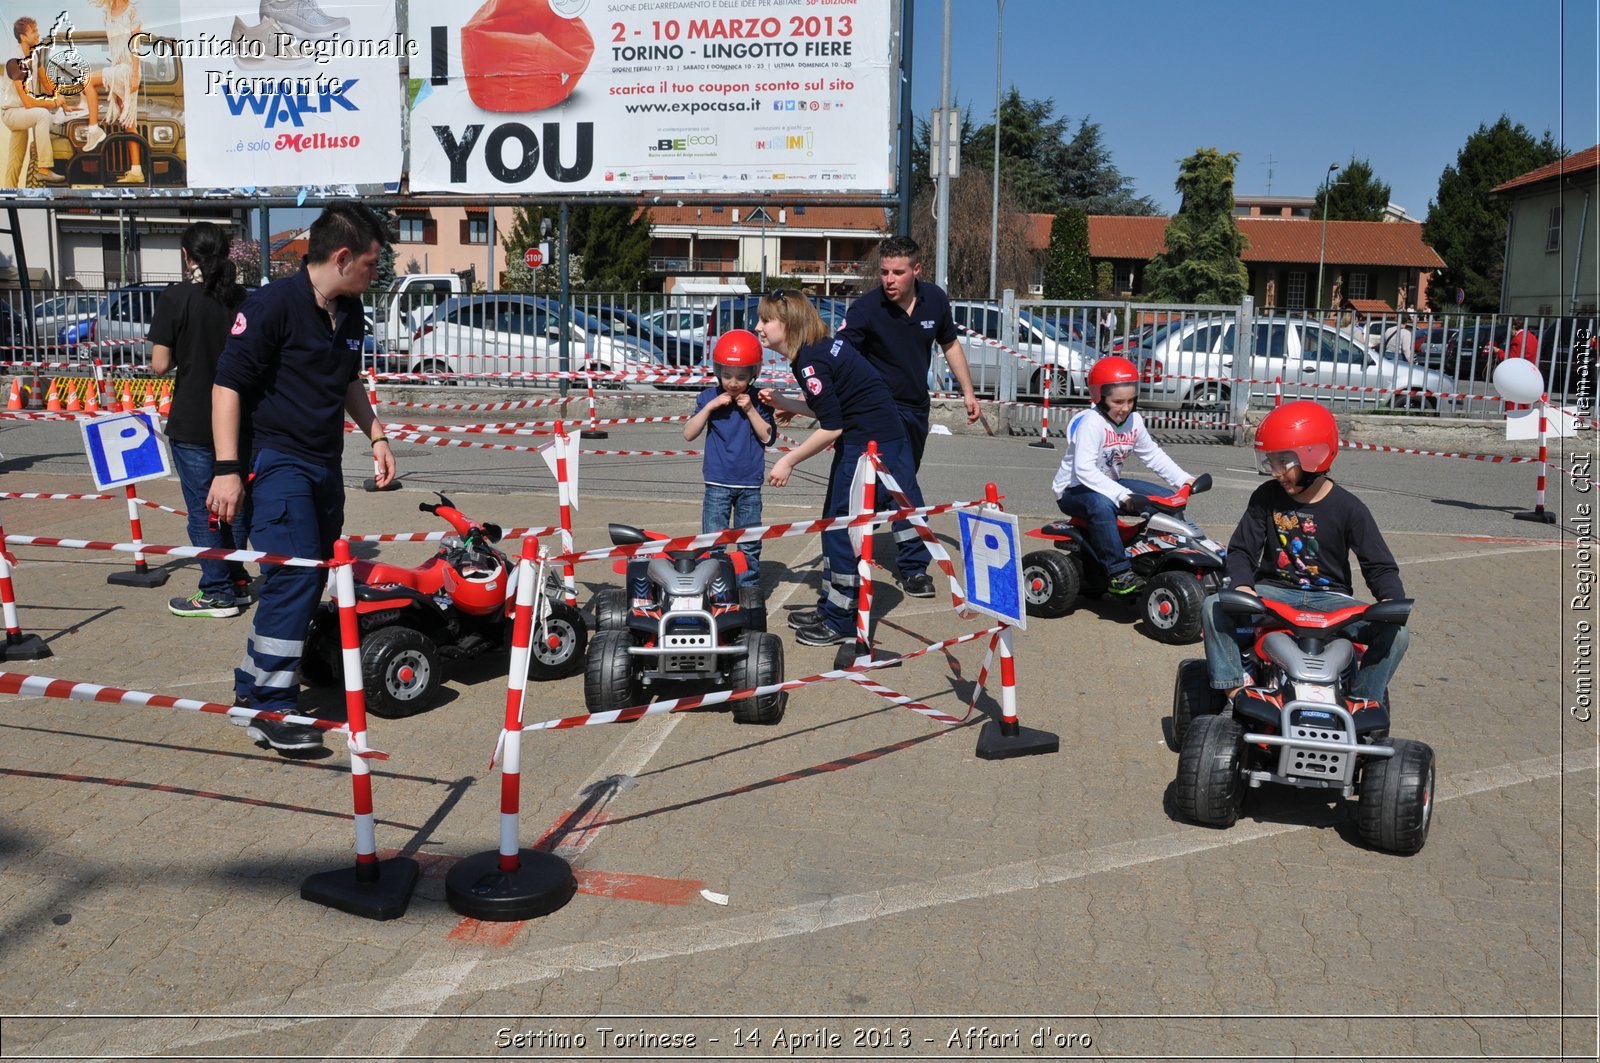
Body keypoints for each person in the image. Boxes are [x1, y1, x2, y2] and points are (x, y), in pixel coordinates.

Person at [207, 201, 394, 754]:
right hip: (278, 461)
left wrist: (377, 436)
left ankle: (252, 688)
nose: (373, 275)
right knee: (291, 578)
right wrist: (226, 471)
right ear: (341, 256)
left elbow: (347, 380)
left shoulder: (350, 310)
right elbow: (227, 387)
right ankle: (273, 708)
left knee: (310, 580)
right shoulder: (271, 306)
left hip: (324, 464)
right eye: (370, 264)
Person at [1201, 399, 1408, 705]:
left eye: (1284, 461)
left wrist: (1391, 599)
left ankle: (1364, 702)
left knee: (1397, 635)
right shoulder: (1266, 497)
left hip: (1333, 603)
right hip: (1275, 597)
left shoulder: (1350, 508)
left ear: (1316, 456)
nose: (1276, 471)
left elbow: (1379, 566)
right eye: (1271, 462)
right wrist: (1244, 585)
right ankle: (1235, 687)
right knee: (1213, 606)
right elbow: (1242, 551)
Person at [758, 290, 919, 647]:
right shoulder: (816, 351)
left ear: (789, 324)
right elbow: (837, 408)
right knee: (834, 523)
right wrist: (789, 402)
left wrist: (788, 460)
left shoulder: (809, 362)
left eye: (766, 320)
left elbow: (833, 427)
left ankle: (841, 620)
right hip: (869, 439)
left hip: (870, 447)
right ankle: (832, 605)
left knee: (839, 530)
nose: (759, 327)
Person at [838, 235, 980, 598]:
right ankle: (915, 566)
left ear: (916, 270)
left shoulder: (935, 299)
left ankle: (876, 525)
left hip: (916, 405)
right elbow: (838, 359)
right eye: (884, 272)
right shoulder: (865, 310)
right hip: (877, 409)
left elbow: (949, 344)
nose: (889, 280)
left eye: (897, 272)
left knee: (897, 483)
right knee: (905, 486)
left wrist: (967, 392)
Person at [150, 221, 253, 618]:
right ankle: (237, 578)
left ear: (185, 254)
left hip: (194, 418)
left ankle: (216, 590)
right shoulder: (242, 298)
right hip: (241, 417)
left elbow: (161, 365)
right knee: (235, 503)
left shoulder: (177, 298)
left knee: (203, 509)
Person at [1051, 356, 1195, 596]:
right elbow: (1084, 469)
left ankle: (1159, 559)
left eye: (1130, 400)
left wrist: (1184, 480)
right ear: (1099, 397)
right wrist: (1122, 495)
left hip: (1110, 484)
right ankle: (1118, 572)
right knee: (1101, 505)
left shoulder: (1134, 421)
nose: (1126, 407)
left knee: (1167, 500)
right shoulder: (1092, 423)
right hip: (1074, 489)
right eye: (1118, 401)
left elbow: (1152, 455)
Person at [683, 328, 775, 588]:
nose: (733, 383)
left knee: (749, 544)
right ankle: (716, 590)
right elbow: (689, 434)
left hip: (749, 484)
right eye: (727, 376)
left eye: (741, 377)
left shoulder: (760, 400)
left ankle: (748, 592)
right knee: (714, 542)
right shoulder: (708, 397)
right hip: (717, 483)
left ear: (753, 374)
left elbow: (767, 436)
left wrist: (750, 410)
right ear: (717, 371)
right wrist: (710, 408)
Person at [79, 0, 144, 184]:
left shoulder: (131, 11)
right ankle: (136, 170)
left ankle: (94, 130)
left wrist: (134, 77)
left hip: (128, 69)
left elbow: (136, 46)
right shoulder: (107, 11)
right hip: (117, 66)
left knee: (87, 81)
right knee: (128, 122)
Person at [1, 18, 65, 185]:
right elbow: (28, 102)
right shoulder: (15, 62)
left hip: (23, 111)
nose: (38, 34)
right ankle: (43, 169)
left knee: (16, 160)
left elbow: (45, 80)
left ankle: (8, 195)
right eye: (34, 31)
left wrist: (62, 101)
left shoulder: (34, 53)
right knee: (43, 115)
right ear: (23, 37)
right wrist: (52, 104)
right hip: (12, 113)